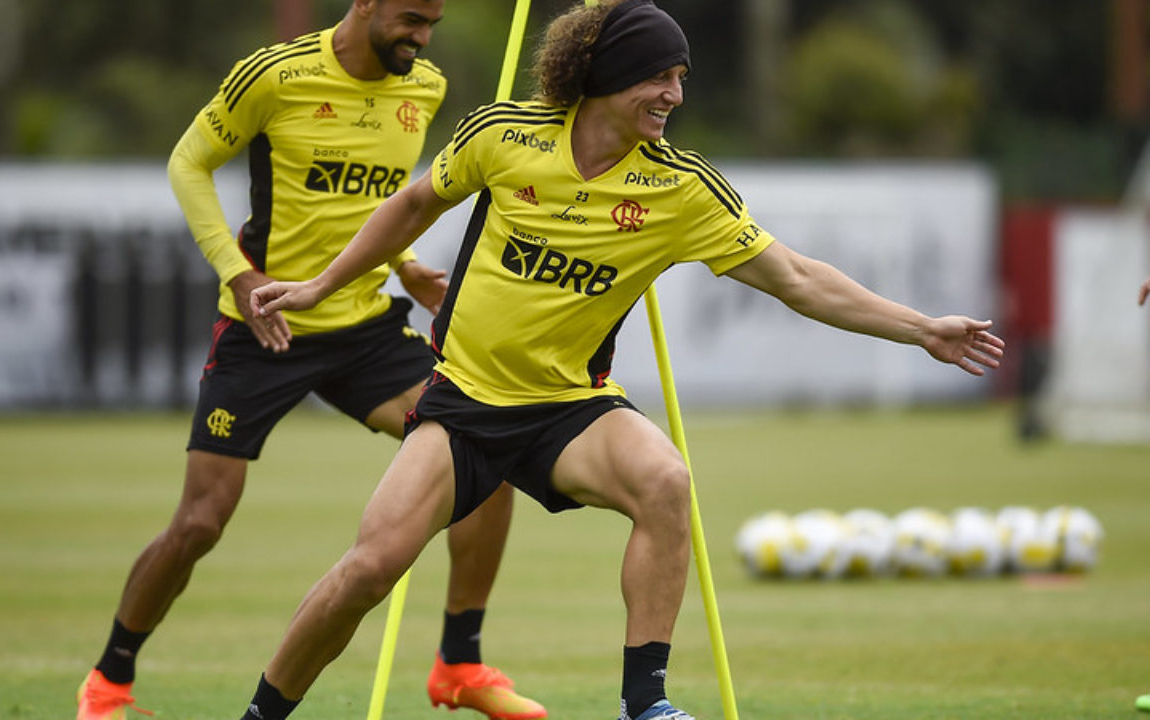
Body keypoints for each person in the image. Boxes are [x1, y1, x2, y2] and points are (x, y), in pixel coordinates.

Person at [240, 1, 1007, 719]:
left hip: (568, 408)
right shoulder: (505, 135)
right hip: (463, 404)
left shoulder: (681, 187)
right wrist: (321, 284)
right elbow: (411, 206)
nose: (674, 93)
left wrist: (921, 330)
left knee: (665, 481)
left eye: (681, 79)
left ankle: (647, 703)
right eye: (659, 76)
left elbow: (797, 279)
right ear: (604, 78)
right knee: (367, 572)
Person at [75, 2, 546, 720]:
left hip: (364, 327)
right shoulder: (275, 75)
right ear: (365, 4)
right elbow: (189, 163)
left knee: (488, 449)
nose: (421, 38)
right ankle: (109, 682)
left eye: (432, 24)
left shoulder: (425, 88)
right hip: (264, 328)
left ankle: (460, 663)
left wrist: (409, 263)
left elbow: (386, 200)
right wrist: (237, 273)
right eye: (411, 19)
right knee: (201, 521)